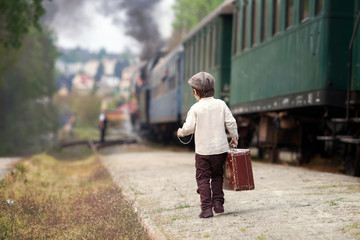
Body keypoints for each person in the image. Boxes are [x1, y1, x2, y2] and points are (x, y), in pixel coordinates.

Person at [177, 72, 238, 218]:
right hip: (220, 150)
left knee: (202, 178)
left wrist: (181, 132)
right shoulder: (221, 104)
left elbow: (189, 127)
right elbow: (231, 122)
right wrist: (234, 137)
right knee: (217, 176)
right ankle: (218, 204)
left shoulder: (195, 108)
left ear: (195, 92)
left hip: (203, 152)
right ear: (213, 90)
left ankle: (206, 209)